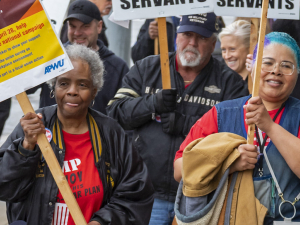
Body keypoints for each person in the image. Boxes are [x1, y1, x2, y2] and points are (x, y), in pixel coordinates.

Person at [107, 13, 248, 224]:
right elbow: (115, 114)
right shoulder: (147, 68)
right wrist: (152, 103)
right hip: (145, 194)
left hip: (199, 196)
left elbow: (236, 137)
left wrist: (186, 124)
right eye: (187, 34)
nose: (192, 42)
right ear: (176, 36)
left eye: (200, 37)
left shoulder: (231, 83)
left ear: (212, 43)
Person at [0, 44, 154, 225]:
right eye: (64, 83)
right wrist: (26, 148)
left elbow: (136, 194)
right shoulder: (33, 126)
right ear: (53, 87)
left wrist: (102, 222)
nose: (72, 91)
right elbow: (6, 189)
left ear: (94, 91)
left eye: (82, 84)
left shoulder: (111, 133)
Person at [174, 32, 300, 223]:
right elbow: (180, 169)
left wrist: (270, 126)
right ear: (253, 67)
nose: (276, 71)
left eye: (286, 66)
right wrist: (227, 164)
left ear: (297, 73)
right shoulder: (221, 114)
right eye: (267, 63)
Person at [27, 0, 128, 115]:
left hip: (97, 132)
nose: (77, 33)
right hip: (51, 131)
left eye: (85, 26)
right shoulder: (52, 57)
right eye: (73, 26)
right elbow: (25, 88)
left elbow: (124, 114)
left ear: (99, 26)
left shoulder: (118, 67)